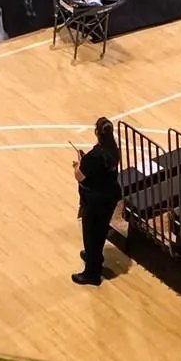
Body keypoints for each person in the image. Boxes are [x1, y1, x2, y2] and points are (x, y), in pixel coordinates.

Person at [73, 118, 122, 286]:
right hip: (110, 197)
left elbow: (80, 175)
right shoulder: (114, 150)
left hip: (95, 200)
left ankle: (92, 273)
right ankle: (95, 257)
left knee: (91, 234)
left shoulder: (94, 156)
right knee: (100, 231)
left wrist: (78, 164)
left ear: (97, 133)